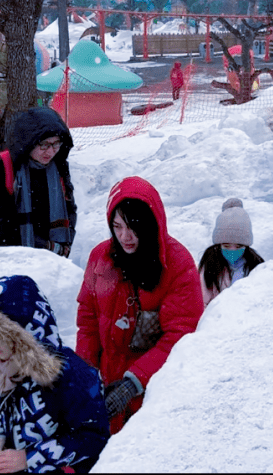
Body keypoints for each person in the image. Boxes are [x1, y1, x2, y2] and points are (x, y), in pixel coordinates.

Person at [0, 274, 110, 473]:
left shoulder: (72, 374)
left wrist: (29, 458)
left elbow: (94, 438)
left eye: (1, 336)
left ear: (25, 335)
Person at [75, 176, 204, 434]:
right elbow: (87, 321)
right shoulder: (101, 258)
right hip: (106, 384)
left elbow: (181, 335)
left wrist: (134, 381)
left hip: (154, 391)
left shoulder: (177, 265)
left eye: (134, 227)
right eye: (117, 226)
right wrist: (85, 375)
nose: (125, 236)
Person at [0, 107, 76, 257]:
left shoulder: (58, 167)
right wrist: (41, 246)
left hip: (50, 258)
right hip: (4, 258)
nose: (51, 152)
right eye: (44, 145)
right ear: (29, 141)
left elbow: (69, 211)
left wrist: (63, 244)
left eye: (56, 144)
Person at [199, 198, 265, 306]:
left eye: (239, 246)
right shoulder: (210, 267)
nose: (232, 250)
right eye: (226, 245)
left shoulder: (255, 266)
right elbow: (200, 302)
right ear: (219, 245)